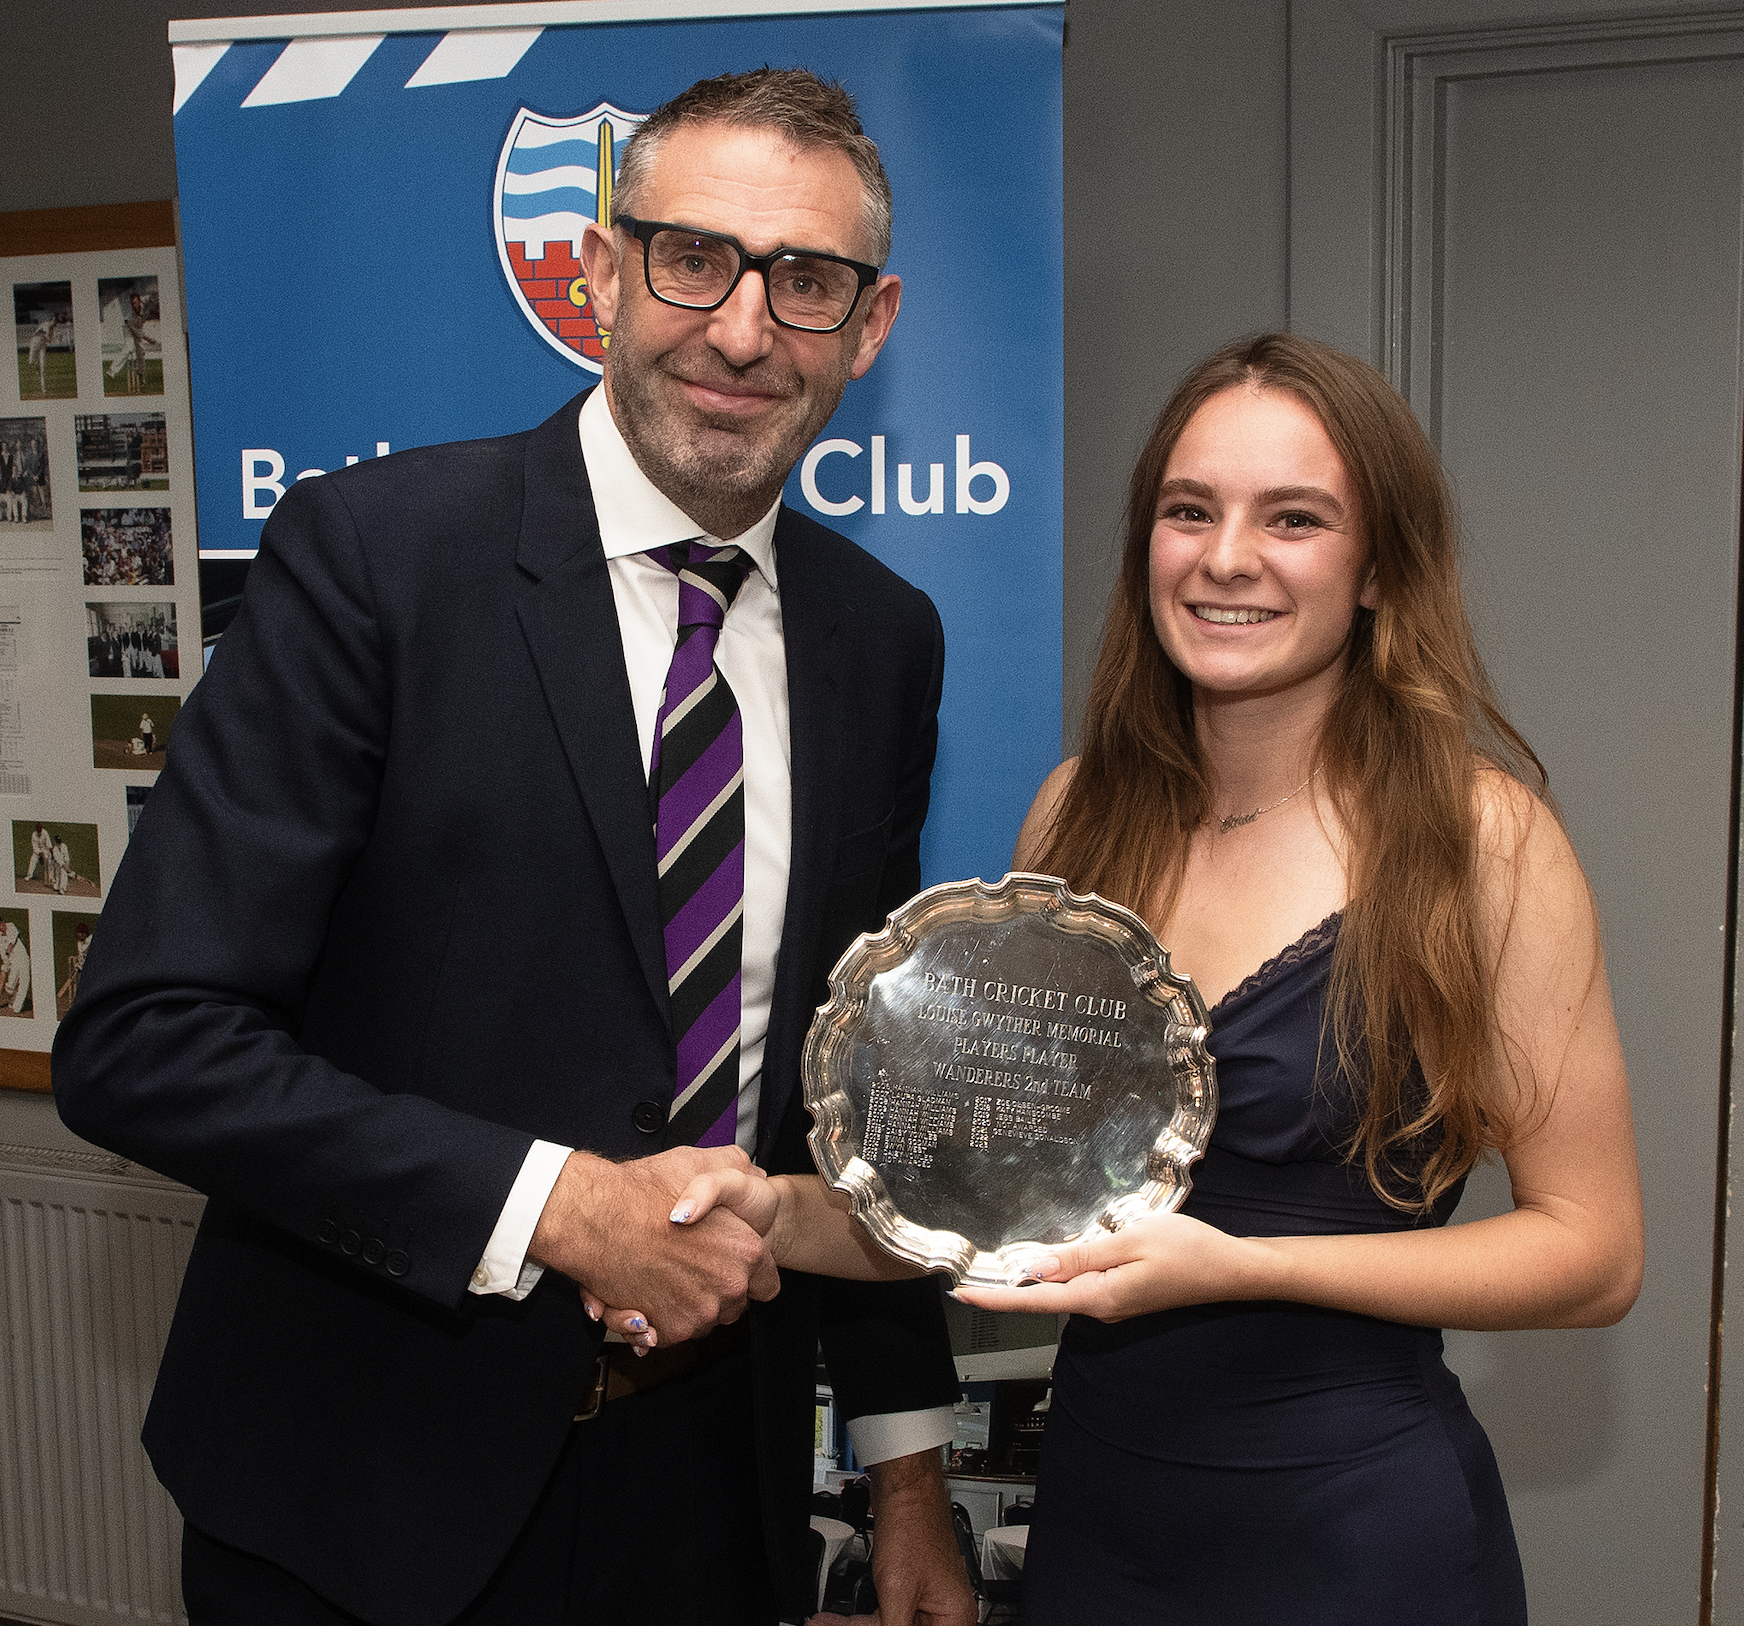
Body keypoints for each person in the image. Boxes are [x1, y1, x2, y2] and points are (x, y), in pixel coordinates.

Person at [53, 68, 972, 1626]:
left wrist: (906, 1471)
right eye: (695, 259)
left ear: (868, 327)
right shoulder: (375, 561)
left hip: (711, 1500)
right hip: (364, 1500)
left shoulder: (881, 640)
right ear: (601, 274)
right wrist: (554, 1204)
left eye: (806, 281)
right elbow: (146, 1041)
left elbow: (856, 1095)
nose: (744, 329)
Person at [651, 333, 1646, 1624]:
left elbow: (1593, 1253)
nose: (1227, 556)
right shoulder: (1077, 819)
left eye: (1294, 518)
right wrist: (777, 1211)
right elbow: (984, 1201)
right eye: (1190, 510)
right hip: (1103, 1524)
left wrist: (1245, 1265)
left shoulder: (1480, 841)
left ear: (1379, 569)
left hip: (1357, 1534)